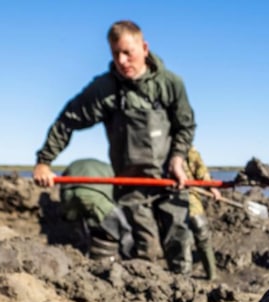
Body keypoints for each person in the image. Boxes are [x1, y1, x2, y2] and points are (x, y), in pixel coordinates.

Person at [33, 20, 196, 274]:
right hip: (131, 184)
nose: (121, 60)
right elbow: (67, 121)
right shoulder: (105, 89)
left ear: (144, 48)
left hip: (169, 179)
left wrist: (177, 158)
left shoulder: (171, 84)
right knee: (145, 246)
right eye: (115, 54)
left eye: (127, 52)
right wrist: (44, 161)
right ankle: (145, 300)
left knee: (179, 239)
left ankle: (186, 297)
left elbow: (185, 127)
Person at [58, 158, 128, 257]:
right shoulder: (111, 169)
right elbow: (117, 195)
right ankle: (130, 256)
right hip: (93, 194)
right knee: (124, 227)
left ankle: (79, 252)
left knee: (79, 224)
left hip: (68, 194)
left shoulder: (75, 164)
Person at [184, 146, 221, 281]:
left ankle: (209, 276)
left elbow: (200, 171)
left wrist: (211, 187)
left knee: (191, 238)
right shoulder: (186, 149)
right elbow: (201, 171)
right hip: (185, 201)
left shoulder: (183, 149)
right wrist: (211, 187)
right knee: (196, 239)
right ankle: (187, 279)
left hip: (187, 200)